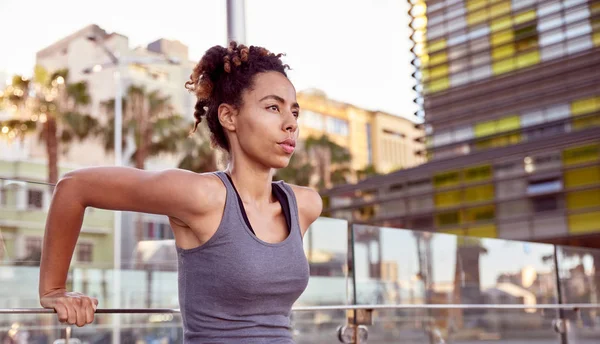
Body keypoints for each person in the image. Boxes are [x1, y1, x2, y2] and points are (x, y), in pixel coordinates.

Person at [38, 41, 323, 343]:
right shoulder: (202, 196)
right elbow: (73, 187)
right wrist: (53, 290)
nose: (290, 123)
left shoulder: (304, 204)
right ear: (229, 117)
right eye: (273, 107)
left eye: (294, 112)